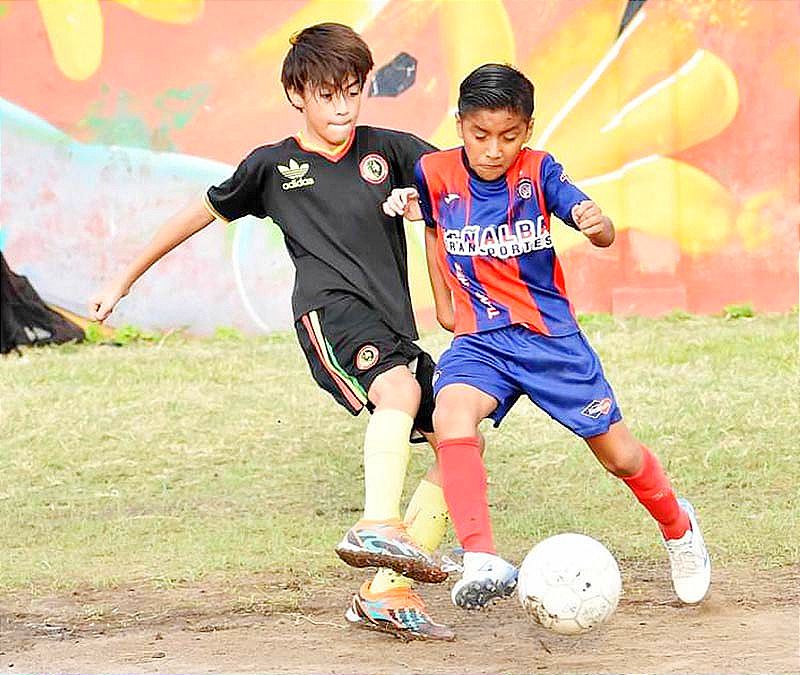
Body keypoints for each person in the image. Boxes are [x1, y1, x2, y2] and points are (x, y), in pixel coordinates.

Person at [89, 23, 456, 641]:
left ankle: (387, 591)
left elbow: (463, 183)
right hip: (327, 313)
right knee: (399, 392)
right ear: (296, 94)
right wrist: (124, 278)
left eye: (351, 92)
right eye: (326, 94)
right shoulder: (271, 166)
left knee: (458, 432)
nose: (341, 107)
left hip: (393, 324)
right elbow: (195, 216)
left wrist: (431, 210)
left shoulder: (391, 150)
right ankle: (376, 523)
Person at [382, 63, 711, 610]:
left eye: (508, 137)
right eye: (480, 135)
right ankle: (481, 556)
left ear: (527, 130)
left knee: (620, 457)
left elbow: (599, 229)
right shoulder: (432, 172)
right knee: (450, 415)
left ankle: (679, 528)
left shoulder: (539, 173)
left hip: (549, 341)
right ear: (459, 124)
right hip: (482, 342)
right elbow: (435, 230)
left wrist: (594, 222)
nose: (493, 149)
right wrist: (445, 306)